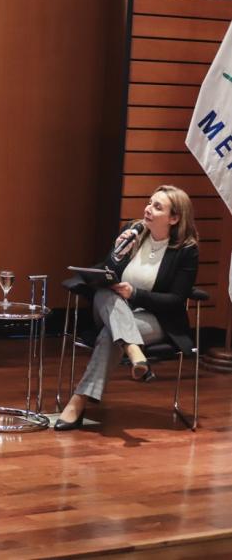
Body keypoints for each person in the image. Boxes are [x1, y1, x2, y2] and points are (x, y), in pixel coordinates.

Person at [56, 184, 199, 430]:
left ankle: (77, 402)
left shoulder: (187, 251)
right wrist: (119, 253)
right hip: (111, 307)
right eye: (149, 202)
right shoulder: (133, 231)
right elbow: (108, 271)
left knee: (110, 334)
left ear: (174, 218)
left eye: (157, 206)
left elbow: (176, 300)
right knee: (105, 292)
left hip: (156, 319)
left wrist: (136, 294)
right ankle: (133, 349)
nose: (148, 209)